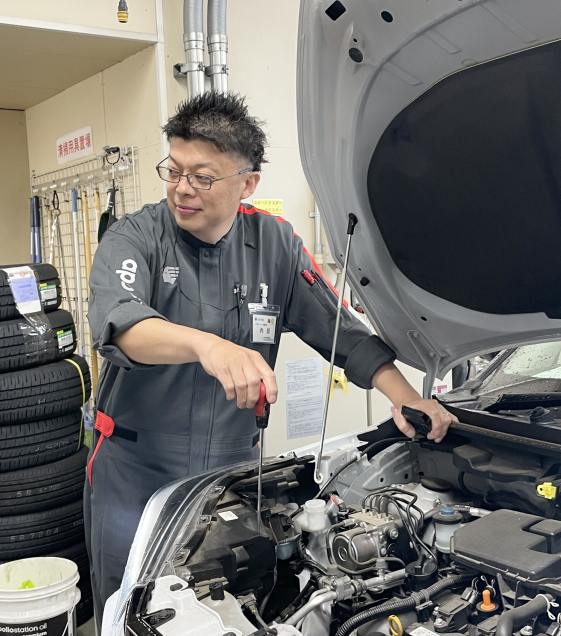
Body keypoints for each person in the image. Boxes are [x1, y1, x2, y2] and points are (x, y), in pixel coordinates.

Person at [84, 92, 455, 625]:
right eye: (174, 170)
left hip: (231, 471)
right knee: (130, 610)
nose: (182, 188)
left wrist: (407, 398)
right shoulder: (135, 237)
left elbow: (341, 331)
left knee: (231, 606)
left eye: (202, 177)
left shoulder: (275, 244)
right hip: (135, 470)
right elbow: (119, 324)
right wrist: (206, 345)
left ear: (248, 183)